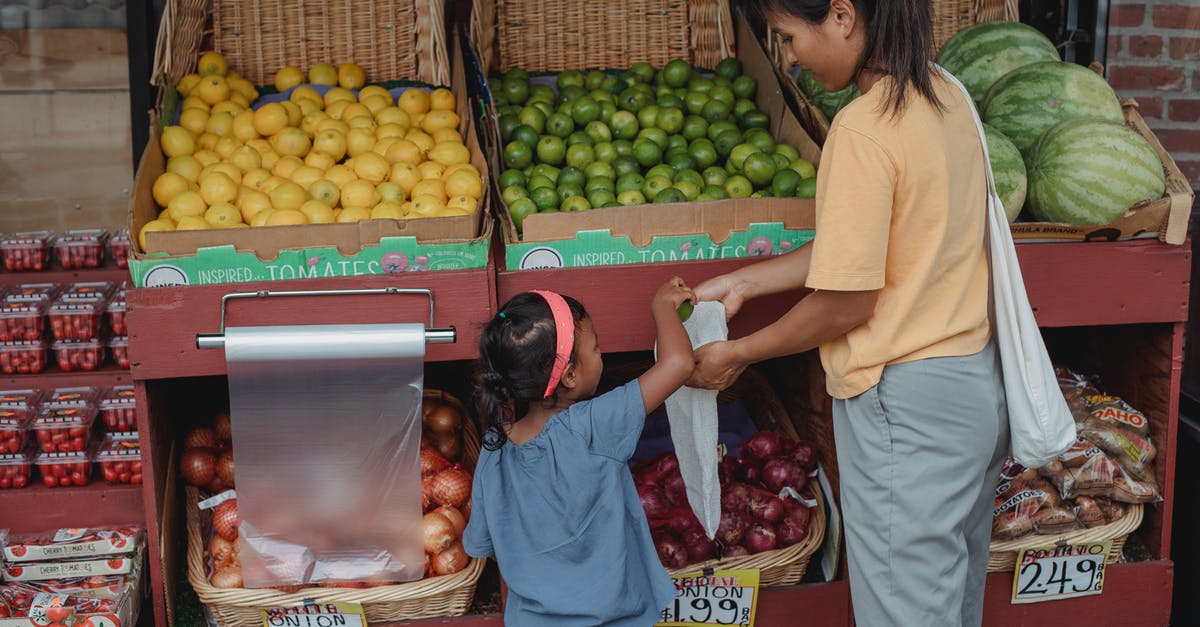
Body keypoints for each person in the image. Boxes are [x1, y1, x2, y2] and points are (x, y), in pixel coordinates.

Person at [689, 1, 1009, 625]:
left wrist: (738, 353)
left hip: (907, 408)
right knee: (949, 609)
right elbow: (862, 250)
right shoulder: (946, 97)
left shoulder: (863, 129)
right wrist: (744, 282)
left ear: (840, 15)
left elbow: (847, 301)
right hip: (972, 392)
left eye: (787, 36)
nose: (789, 57)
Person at [464, 279, 695, 626]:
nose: (601, 355)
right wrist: (662, 306)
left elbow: (486, 546)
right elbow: (679, 363)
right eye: (597, 349)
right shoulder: (594, 425)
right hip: (613, 618)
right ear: (570, 374)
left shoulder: (493, 452)